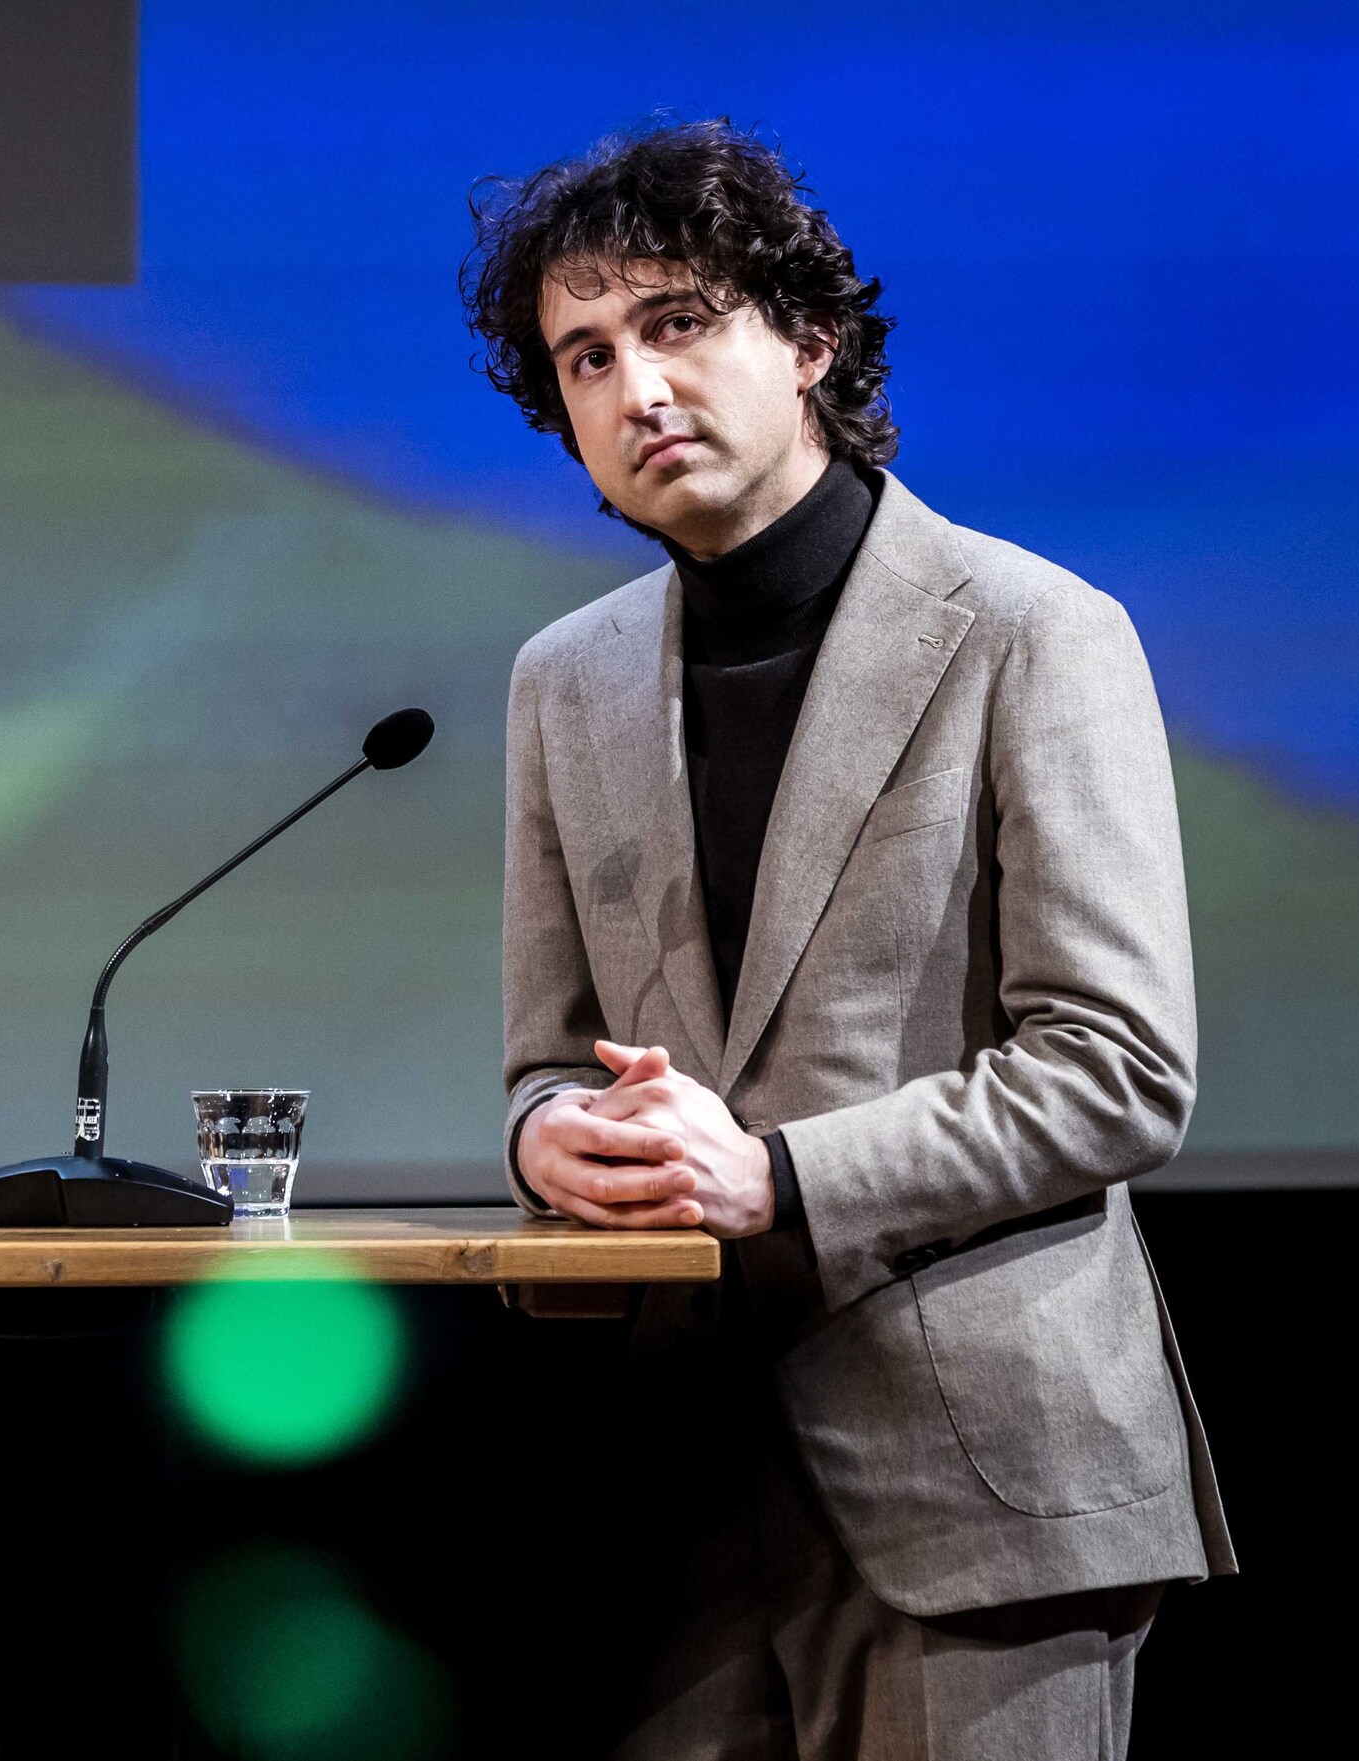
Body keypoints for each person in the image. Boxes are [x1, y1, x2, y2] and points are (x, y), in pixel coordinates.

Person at [466, 121, 1235, 1757]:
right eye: (584, 357)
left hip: (983, 1482)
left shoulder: (1035, 630)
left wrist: (783, 1179)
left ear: (808, 340)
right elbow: (545, 1053)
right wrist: (552, 1143)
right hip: (671, 1481)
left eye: (677, 322)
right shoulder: (564, 680)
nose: (634, 387)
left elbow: (1120, 1070)